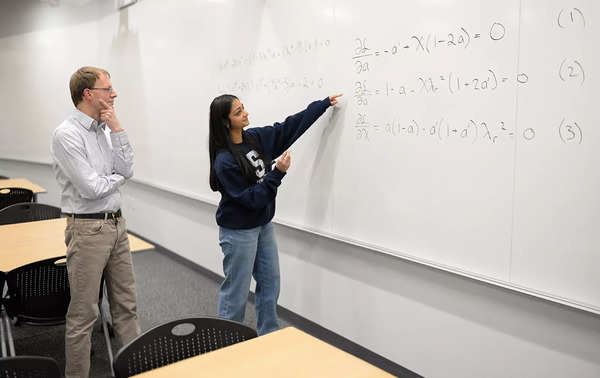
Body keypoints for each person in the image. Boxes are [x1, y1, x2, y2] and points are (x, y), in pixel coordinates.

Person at [208, 93, 342, 335]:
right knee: (236, 293)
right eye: (238, 112)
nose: (245, 113)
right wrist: (277, 173)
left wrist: (321, 106)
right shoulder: (225, 161)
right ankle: (225, 346)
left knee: (270, 285)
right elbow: (252, 200)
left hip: (263, 226)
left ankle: (268, 336)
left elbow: (287, 128)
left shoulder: (255, 138)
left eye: (243, 107)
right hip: (239, 231)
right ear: (226, 122)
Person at [51, 66, 140, 378]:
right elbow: (91, 189)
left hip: (117, 225)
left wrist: (116, 127)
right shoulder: (66, 134)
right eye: (108, 89)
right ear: (88, 94)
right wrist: (117, 177)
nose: (113, 94)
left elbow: (127, 167)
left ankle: (135, 371)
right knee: (84, 315)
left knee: (127, 307)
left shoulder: (104, 128)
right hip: (87, 229)